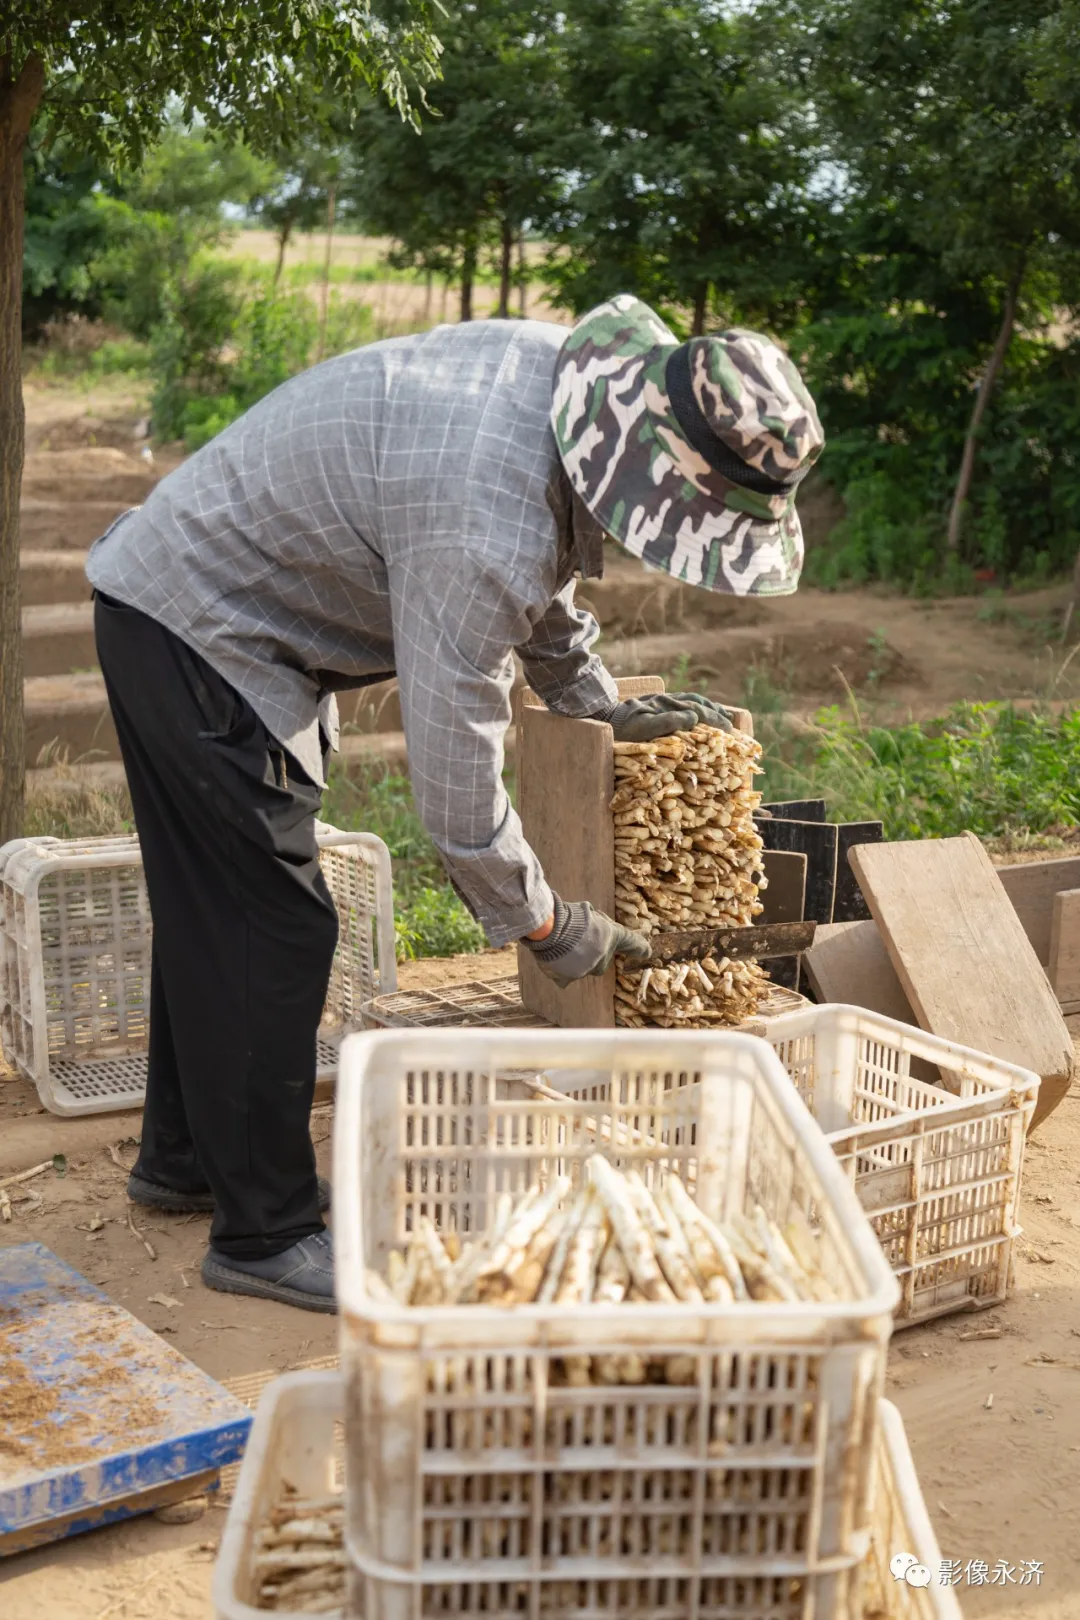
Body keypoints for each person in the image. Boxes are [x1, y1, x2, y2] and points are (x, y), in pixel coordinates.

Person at [85, 293, 823, 1313]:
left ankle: (181, 1159)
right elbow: (457, 790)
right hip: (202, 626)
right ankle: (263, 1231)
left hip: (191, 607)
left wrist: (599, 707)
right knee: (275, 923)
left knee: (222, 910)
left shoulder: (557, 394)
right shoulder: (481, 520)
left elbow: (550, 569)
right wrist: (551, 925)